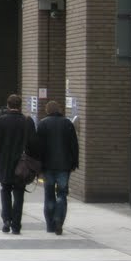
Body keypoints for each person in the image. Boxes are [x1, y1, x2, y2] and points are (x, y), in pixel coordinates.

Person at [0, 94, 36, 234]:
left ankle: (6, 219)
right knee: (19, 193)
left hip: (5, 162)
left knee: (5, 190)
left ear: (8, 105)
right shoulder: (27, 121)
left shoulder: (1, 120)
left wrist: (1, 153)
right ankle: (16, 225)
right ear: (20, 105)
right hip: (22, 165)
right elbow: (32, 143)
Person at [37, 100, 79, 235]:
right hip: (64, 165)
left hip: (47, 166)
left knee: (49, 195)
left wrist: (39, 166)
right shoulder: (67, 123)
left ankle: (50, 225)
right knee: (62, 194)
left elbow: (39, 147)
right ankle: (59, 220)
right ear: (59, 109)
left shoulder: (43, 124)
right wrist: (74, 163)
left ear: (47, 110)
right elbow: (74, 145)